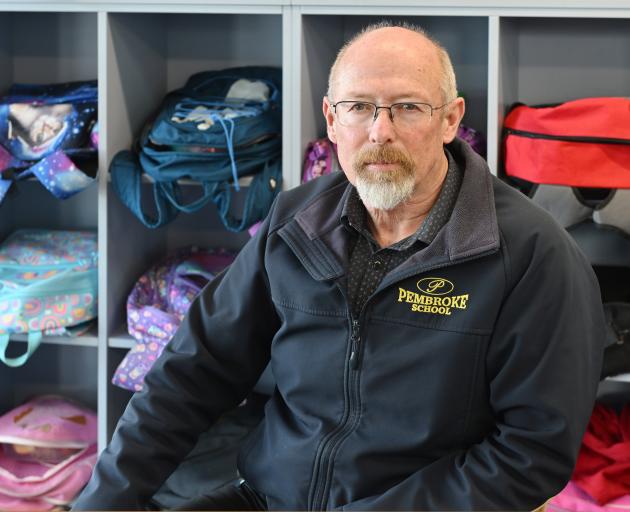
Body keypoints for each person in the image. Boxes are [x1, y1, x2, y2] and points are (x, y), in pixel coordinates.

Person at [74, 22, 606, 511]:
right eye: (359, 107)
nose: (380, 132)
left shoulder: (533, 254)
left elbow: (530, 454)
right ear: (331, 119)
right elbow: (192, 371)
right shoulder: (295, 221)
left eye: (407, 108)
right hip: (270, 497)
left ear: (450, 120)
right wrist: (101, 502)